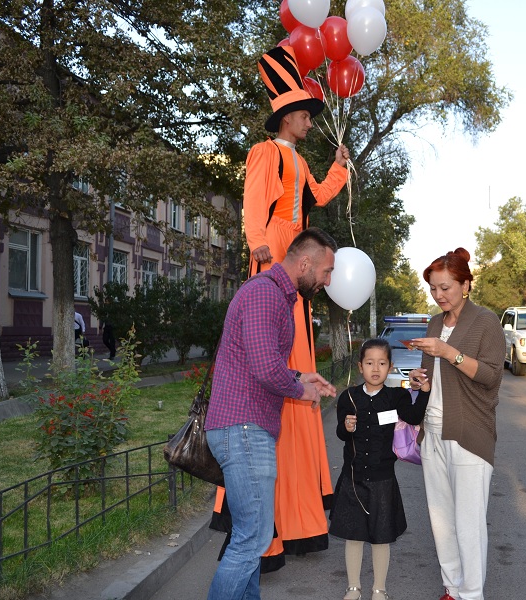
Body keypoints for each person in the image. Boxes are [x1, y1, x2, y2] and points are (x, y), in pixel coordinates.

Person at [214, 43, 351, 572]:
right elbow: (253, 203)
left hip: (297, 261)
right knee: (271, 365)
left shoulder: (299, 159)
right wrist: (258, 246)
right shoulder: (265, 153)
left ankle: (292, 517)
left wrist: (338, 169)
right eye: (302, 113)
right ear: (284, 116)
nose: (308, 121)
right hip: (275, 257)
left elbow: (315, 195)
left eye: (310, 114)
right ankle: (262, 533)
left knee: (295, 372)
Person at [204, 228, 339, 600]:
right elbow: (265, 368)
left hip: (244, 427)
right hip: (244, 429)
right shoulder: (266, 293)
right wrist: (300, 388)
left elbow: (258, 364)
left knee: (254, 536)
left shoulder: (275, 294)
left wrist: (300, 376)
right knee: (253, 539)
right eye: (326, 272)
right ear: (305, 262)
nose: (328, 281)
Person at [410, 248, 505, 600]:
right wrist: (421, 381)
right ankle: (451, 587)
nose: (439, 296)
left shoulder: (485, 322)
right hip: (432, 432)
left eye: (445, 288)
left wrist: (449, 353)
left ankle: (472, 594)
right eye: (434, 289)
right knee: (441, 521)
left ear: (465, 284)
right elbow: (435, 381)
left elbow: (491, 377)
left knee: (468, 525)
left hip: (469, 434)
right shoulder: (435, 323)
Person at [330, 339, 431, 600]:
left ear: (390, 367)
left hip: (382, 479)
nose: (376, 368)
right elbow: (341, 433)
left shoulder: (396, 396)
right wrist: (347, 427)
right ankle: (353, 587)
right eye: (370, 363)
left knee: (381, 536)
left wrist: (425, 391)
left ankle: (379, 589)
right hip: (353, 478)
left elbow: (413, 416)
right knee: (353, 535)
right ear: (360, 366)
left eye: (382, 363)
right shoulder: (349, 397)